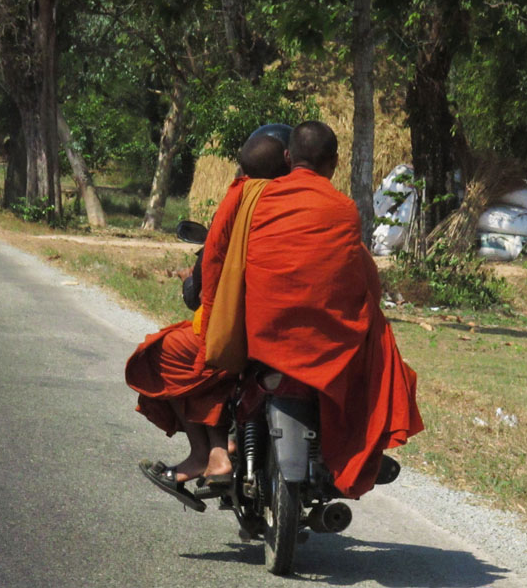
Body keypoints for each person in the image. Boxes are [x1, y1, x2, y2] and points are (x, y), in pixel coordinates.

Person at [198, 120, 423, 499]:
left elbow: (215, 260)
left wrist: (210, 311)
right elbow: (363, 280)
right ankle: (362, 446)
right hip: (322, 344)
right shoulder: (344, 208)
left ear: (288, 157)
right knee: (380, 348)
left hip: (257, 333)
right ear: (334, 163)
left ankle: (217, 450)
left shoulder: (253, 197)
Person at [126, 132, 290, 502]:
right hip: (300, 335)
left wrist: (193, 282)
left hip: (244, 337)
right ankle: (221, 450)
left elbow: (205, 282)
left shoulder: (241, 200)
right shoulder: (314, 204)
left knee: (166, 355)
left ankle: (208, 455)